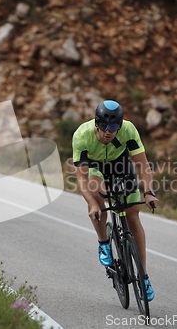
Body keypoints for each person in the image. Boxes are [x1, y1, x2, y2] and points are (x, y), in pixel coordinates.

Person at [72, 100, 158, 301]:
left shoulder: (128, 130)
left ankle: (144, 277)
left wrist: (149, 192)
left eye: (114, 127)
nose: (109, 132)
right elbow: (81, 178)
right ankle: (103, 242)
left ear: (119, 125)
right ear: (97, 124)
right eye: (104, 127)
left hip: (119, 164)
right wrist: (93, 204)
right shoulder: (82, 136)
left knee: (133, 215)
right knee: (97, 194)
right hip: (94, 167)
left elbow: (143, 166)